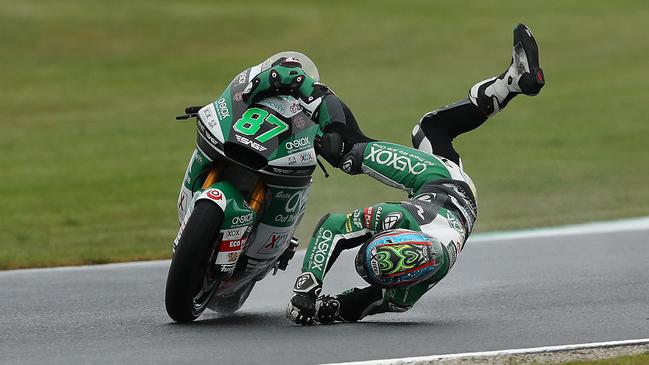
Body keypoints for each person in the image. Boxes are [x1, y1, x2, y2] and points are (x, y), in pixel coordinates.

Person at [244, 24, 545, 325]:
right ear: (395, 233)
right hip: (439, 180)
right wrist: (305, 291)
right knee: (348, 152)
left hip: (464, 204)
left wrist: (328, 306)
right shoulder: (396, 220)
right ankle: (296, 81)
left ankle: (511, 84)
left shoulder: (404, 297)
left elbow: (360, 305)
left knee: (431, 131)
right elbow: (332, 226)